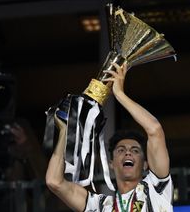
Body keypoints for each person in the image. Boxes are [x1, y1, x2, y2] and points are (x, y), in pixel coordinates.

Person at [46, 62, 173, 211]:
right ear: (111, 164)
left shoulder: (157, 188)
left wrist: (120, 94)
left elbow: (154, 130)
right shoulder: (100, 206)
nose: (127, 152)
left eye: (135, 150)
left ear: (145, 164)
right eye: (120, 150)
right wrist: (64, 132)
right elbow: (54, 182)